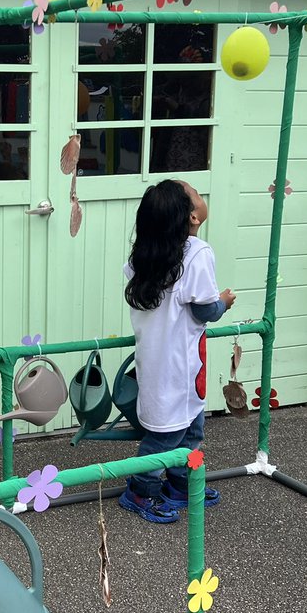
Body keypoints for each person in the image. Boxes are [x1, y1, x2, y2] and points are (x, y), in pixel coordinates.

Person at [119, 179, 235, 523]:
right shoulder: (197, 253)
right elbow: (204, 311)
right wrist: (224, 302)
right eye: (197, 194)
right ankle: (141, 491)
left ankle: (182, 483)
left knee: (187, 428)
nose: (201, 195)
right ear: (193, 217)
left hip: (156, 363)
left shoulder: (143, 256)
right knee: (166, 438)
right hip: (181, 366)